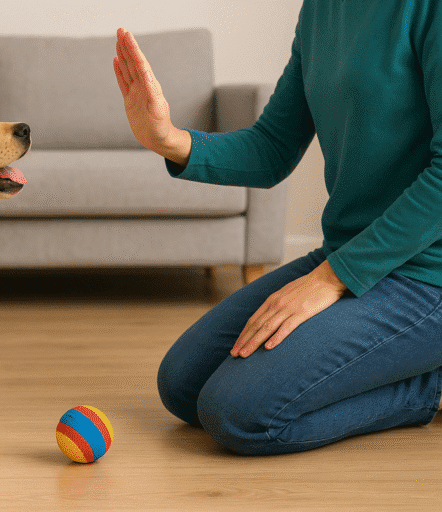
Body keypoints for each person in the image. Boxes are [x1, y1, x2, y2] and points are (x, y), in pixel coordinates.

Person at [114, 0, 442, 456]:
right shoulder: (322, 10)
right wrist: (168, 139)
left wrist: (332, 278)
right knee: (183, 385)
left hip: (427, 275)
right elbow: (272, 147)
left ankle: (429, 388)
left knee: (239, 413)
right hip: (347, 254)